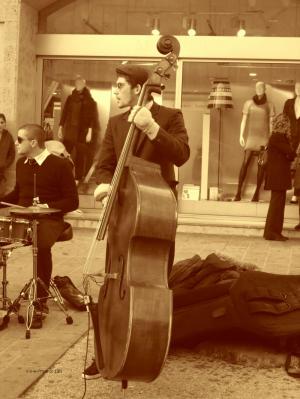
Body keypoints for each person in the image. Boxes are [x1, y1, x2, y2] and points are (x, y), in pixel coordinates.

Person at [82, 64, 190, 379]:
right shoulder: (116, 123)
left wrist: (152, 128)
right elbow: (104, 164)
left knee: (154, 283)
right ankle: (107, 350)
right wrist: (103, 184)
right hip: (121, 217)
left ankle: (148, 344)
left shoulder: (170, 116)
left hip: (154, 217)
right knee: (114, 279)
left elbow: (181, 154)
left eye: (119, 85)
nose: (115, 91)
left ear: (140, 88)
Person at [0, 124, 79, 328]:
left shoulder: (60, 165)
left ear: (33, 142)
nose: (16, 144)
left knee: (41, 245)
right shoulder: (22, 164)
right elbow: (17, 195)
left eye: (20, 140)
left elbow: (72, 202)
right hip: (24, 218)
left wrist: (46, 207)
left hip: (50, 219)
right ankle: (2, 301)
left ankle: (40, 303)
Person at [234, 82, 275, 202]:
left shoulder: (269, 105)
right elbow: (244, 120)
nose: (259, 89)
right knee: (245, 163)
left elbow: (271, 123)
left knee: (261, 166)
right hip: (251, 138)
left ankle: (256, 194)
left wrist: (271, 139)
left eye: (261, 87)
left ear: (265, 89)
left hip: (264, 139)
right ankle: (238, 193)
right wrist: (241, 135)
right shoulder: (248, 103)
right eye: (257, 87)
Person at [58, 76, 100, 184]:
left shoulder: (90, 100)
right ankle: (62, 175)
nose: (78, 85)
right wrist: (60, 127)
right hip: (70, 131)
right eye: (77, 83)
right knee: (64, 153)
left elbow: (93, 117)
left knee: (80, 155)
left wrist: (90, 131)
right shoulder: (70, 98)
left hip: (82, 132)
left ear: (84, 84)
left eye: (81, 83)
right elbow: (65, 113)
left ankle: (78, 177)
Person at [263, 113, 296, 241]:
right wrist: (291, 153)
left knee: (277, 205)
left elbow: (289, 154)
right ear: (284, 125)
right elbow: (290, 152)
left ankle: (273, 232)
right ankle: (272, 232)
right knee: (277, 205)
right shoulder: (278, 137)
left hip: (277, 176)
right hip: (278, 177)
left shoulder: (276, 137)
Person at [283, 81, 300, 204]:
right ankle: (284, 190)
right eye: (297, 87)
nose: (299, 89)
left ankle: (296, 194)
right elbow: (284, 120)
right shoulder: (289, 103)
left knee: (299, 166)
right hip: (290, 139)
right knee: (288, 164)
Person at [0, 113, 15, 195]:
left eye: (2, 122)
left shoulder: (8, 136)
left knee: (1, 194)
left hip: (2, 172)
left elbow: (12, 153)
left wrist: (5, 164)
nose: (0, 125)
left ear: (5, 123)